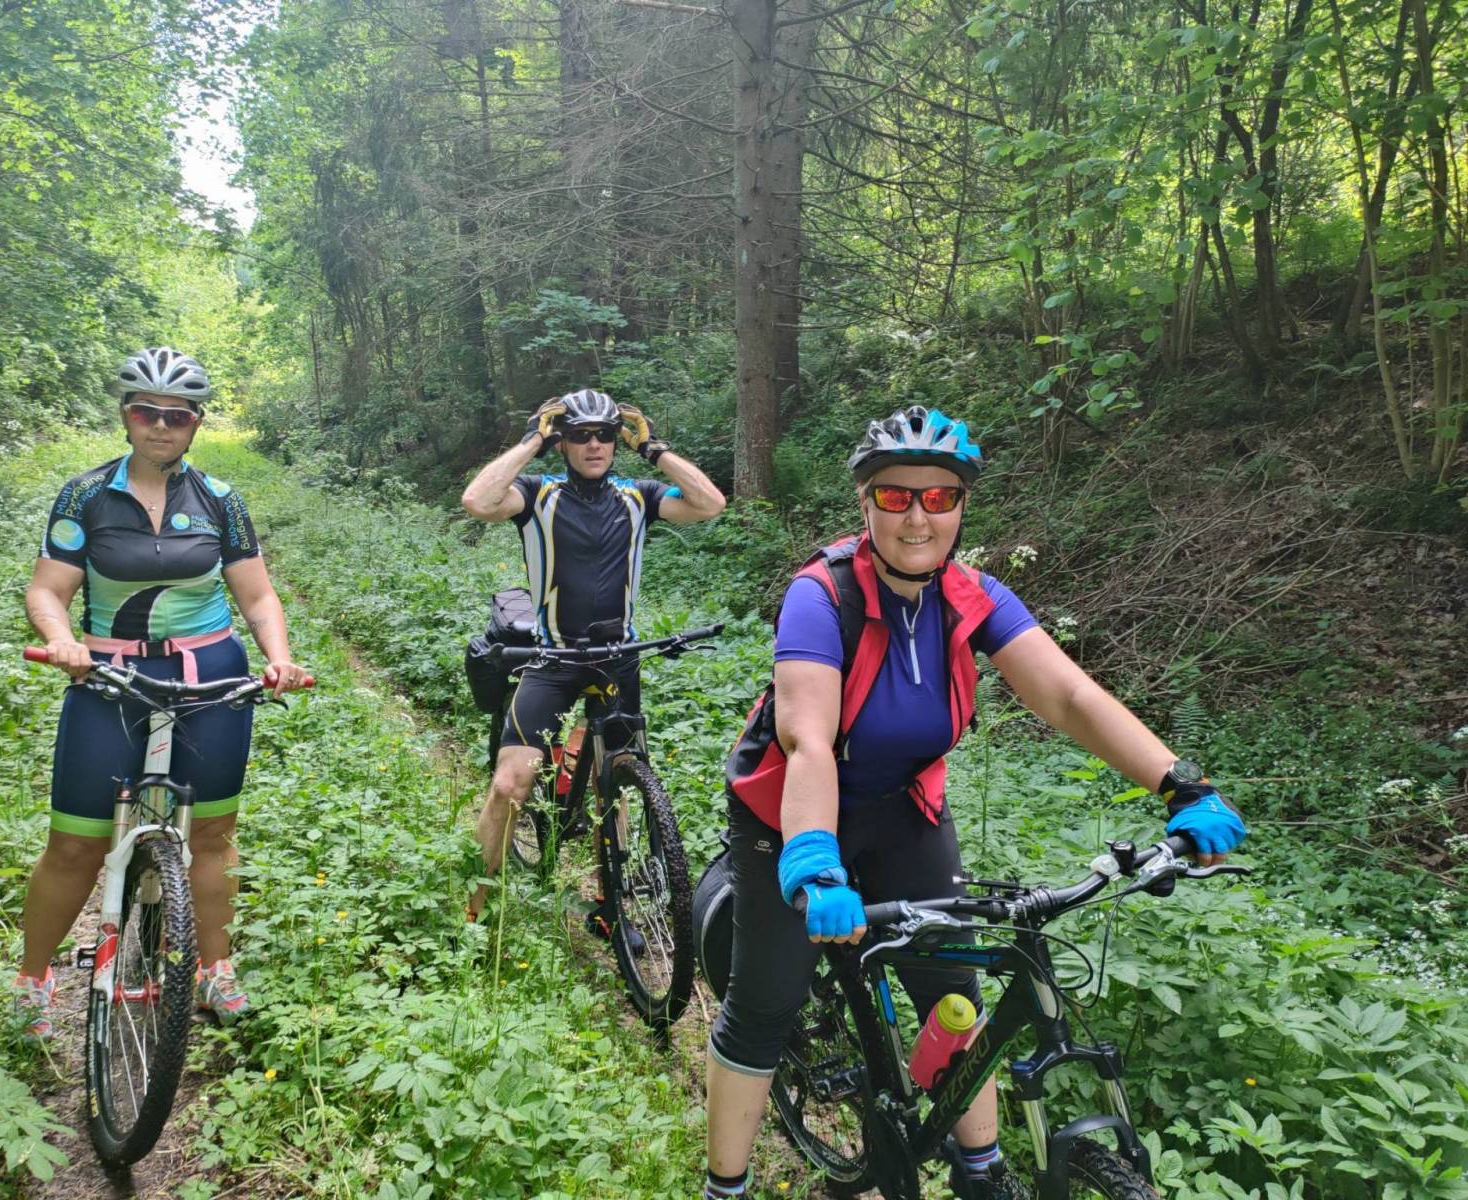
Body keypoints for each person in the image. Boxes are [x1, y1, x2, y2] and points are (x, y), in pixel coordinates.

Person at [702, 406, 1246, 1200]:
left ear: (962, 505)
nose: (917, 517)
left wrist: (1179, 782)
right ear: (865, 502)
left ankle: (981, 1171)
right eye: (895, 496)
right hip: (791, 812)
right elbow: (806, 738)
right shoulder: (822, 595)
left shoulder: (974, 596)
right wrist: (814, 857)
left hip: (904, 807)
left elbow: (1068, 696)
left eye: (940, 497)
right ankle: (725, 1186)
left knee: (954, 990)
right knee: (766, 1004)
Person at [14, 347, 309, 1038]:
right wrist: (62, 639)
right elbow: (47, 590)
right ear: (126, 415)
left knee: (211, 834)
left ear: (196, 423)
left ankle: (214, 968)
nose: (161, 426)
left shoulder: (220, 500)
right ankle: (33, 977)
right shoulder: (86, 495)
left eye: (177, 416)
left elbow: (258, 595)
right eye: (147, 412)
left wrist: (280, 658)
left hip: (210, 675)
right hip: (108, 676)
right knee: (75, 843)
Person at [460, 388, 726, 923]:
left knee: (618, 783)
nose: (594, 444)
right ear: (563, 443)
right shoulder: (537, 494)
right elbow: (478, 501)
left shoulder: (639, 496)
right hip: (553, 659)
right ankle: (473, 912)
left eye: (604, 434)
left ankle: (612, 907)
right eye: (580, 435)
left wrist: (654, 449)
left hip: (619, 656)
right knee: (511, 783)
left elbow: (710, 504)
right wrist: (533, 440)